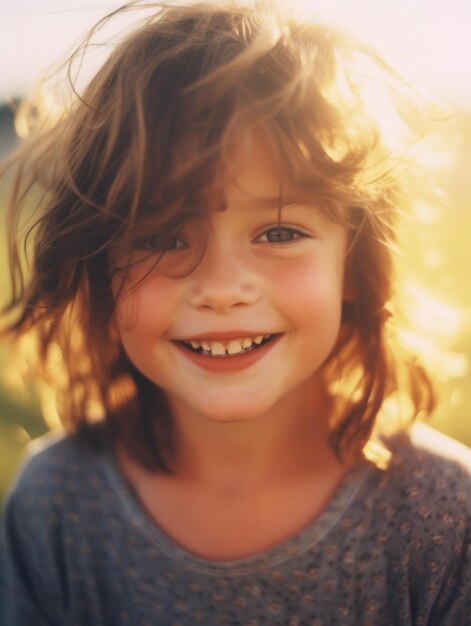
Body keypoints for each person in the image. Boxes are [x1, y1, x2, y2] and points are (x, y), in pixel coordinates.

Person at [1, 1, 470, 624]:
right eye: (162, 237)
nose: (222, 289)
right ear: (98, 272)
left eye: (278, 233)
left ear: (354, 265)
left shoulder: (444, 515)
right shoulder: (56, 504)